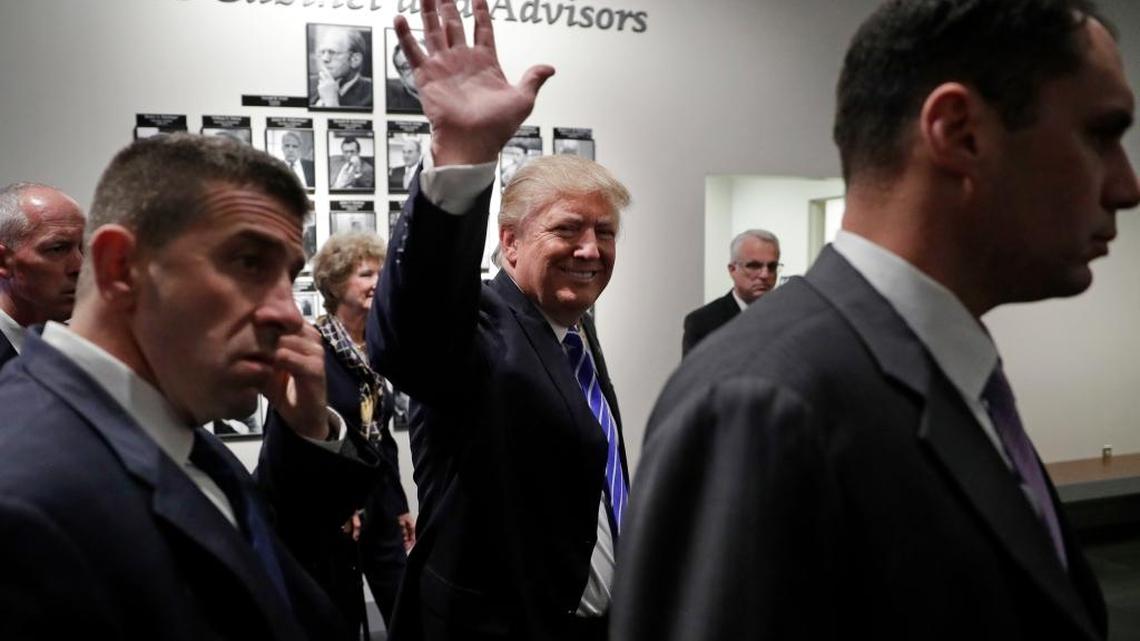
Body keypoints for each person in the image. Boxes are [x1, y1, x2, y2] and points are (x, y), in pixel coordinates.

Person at [612, 1, 1140, 640]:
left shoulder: (941, 372)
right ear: (959, 132)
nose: (1126, 185)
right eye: (1102, 134)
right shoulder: (764, 402)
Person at [0, 134, 380, 640]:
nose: (289, 314)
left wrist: (307, 426)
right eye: (248, 263)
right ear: (119, 267)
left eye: (289, 278)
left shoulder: (167, 428)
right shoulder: (23, 501)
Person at [369, 1, 630, 639]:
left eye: (605, 232)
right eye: (567, 230)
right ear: (508, 243)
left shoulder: (573, 329)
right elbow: (412, 338)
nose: (591, 250)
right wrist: (463, 157)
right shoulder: (483, 328)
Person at [310, 232, 416, 637]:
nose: (378, 281)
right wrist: (339, 501)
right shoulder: (313, 348)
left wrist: (400, 504)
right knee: (343, 616)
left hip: (379, 506)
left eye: (382, 272)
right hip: (336, 512)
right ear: (336, 285)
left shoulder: (375, 348)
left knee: (405, 610)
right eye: (366, 273)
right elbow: (309, 442)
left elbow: (380, 440)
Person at [0, 182, 84, 368]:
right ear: (3, 262)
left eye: (83, 248)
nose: (81, 267)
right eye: (57, 249)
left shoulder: (90, 352)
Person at [681, 229, 780, 355]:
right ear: (732, 269)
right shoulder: (703, 322)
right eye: (754, 266)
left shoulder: (788, 318)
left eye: (772, 267)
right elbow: (695, 374)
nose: (765, 275)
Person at [311, 26, 374, 109]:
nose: (324, 59)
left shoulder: (372, 93)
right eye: (322, 52)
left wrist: (331, 102)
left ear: (355, 60)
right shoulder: (310, 83)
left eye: (332, 52)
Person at [387, 39, 424, 113]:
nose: (416, 69)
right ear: (401, 77)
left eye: (421, 61)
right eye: (407, 66)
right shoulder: (393, 105)